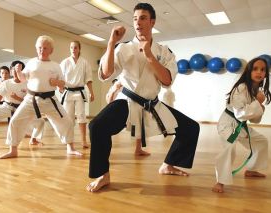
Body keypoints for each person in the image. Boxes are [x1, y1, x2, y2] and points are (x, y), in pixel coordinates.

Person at [86, 3, 200, 192]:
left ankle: (169, 164)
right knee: (96, 126)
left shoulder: (164, 51)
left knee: (190, 128)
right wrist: (111, 43)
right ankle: (102, 174)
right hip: (127, 101)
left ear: (152, 22)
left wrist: (148, 55)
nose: (137, 22)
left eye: (143, 18)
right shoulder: (123, 48)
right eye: (135, 18)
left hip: (152, 103)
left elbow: (166, 80)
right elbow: (106, 74)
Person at [0, 35, 81, 159]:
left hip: (50, 100)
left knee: (67, 122)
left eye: (45, 48)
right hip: (31, 99)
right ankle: (13, 150)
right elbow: (22, 79)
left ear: (51, 50)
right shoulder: (32, 62)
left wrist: (56, 83)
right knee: (15, 121)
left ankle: (70, 148)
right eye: (40, 48)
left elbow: (63, 83)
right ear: (36, 48)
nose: (42, 50)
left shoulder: (55, 65)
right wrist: (19, 72)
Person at [212, 57, 271, 193]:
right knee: (230, 147)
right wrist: (258, 103)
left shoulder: (257, 90)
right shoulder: (241, 87)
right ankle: (220, 181)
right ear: (249, 71)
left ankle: (251, 170)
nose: (259, 72)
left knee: (261, 141)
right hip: (228, 125)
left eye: (263, 70)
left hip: (241, 125)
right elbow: (240, 114)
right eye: (256, 68)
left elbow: (254, 120)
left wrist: (260, 107)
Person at [60, 41, 95, 149]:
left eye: (75, 47)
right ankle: (69, 139)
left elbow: (88, 79)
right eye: (71, 48)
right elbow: (60, 77)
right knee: (68, 118)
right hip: (68, 92)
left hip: (79, 92)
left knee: (81, 116)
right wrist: (60, 87)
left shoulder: (84, 62)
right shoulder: (65, 62)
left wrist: (91, 93)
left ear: (79, 49)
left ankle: (84, 140)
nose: (73, 50)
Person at [106, 78, 150, 156]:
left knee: (139, 127)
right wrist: (114, 90)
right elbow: (109, 103)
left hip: (133, 108)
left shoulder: (131, 85)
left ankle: (138, 149)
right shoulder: (115, 87)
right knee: (109, 131)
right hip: (119, 111)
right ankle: (106, 151)